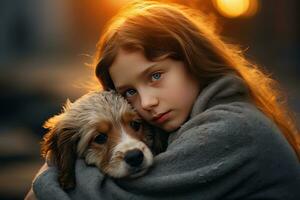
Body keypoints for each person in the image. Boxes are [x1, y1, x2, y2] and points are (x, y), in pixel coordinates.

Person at [25, 1, 300, 199]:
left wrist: (51, 175)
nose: (146, 102)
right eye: (129, 91)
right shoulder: (184, 121)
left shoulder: (232, 128)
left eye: (155, 75)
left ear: (193, 60)